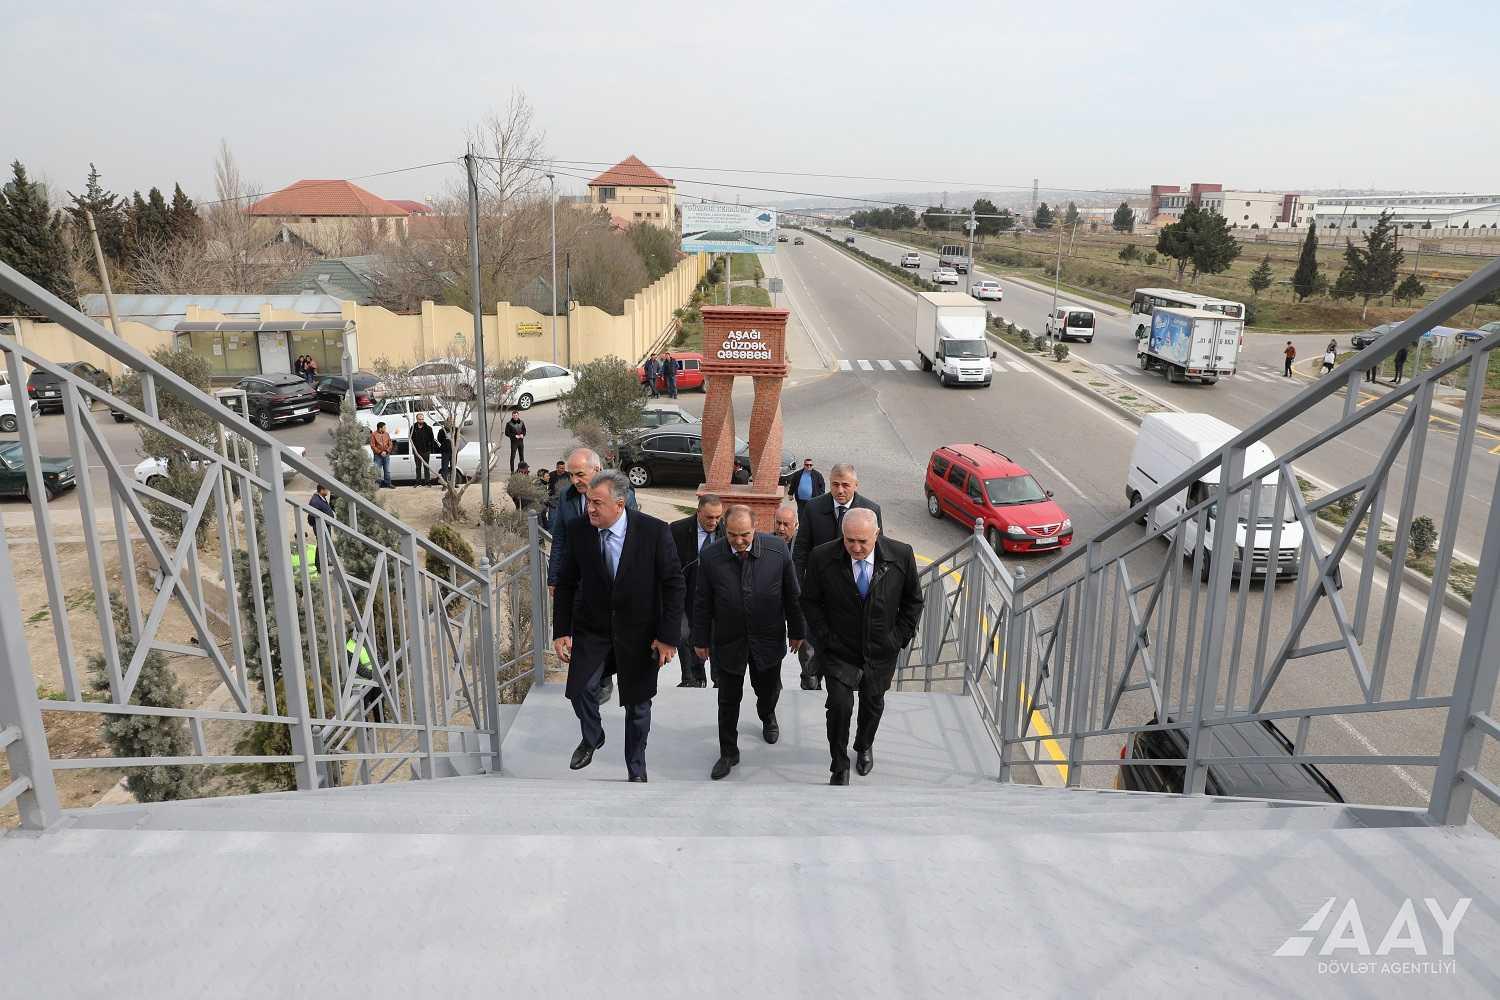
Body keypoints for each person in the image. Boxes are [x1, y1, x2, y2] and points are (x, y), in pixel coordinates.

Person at [552, 470, 684, 783]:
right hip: (593, 629)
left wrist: (667, 637)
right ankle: (593, 736)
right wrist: (561, 631)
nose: (590, 509)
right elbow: (566, 583)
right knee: (579, 690)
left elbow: (674, 584)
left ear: (620, 505)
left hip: (640, 634)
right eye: (588, 502)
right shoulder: (579, 530)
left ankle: (636, 770)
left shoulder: (654, 532)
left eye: (597, 503)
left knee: (638, 708)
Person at [800, 508, 923, 785]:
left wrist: (897, 638)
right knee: (839, 706)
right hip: (839, 651)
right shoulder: (822, 557)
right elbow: (809, 601)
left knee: (873, 703)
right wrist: (825, 636)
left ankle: (863, 745)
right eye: (849, 540)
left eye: (862, 542)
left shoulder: (901, 555)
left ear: (876, 535)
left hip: (881, 652)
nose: (855, 547)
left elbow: (913, 601)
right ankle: (839, 763)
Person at [693, 505, 805, 780]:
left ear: (756, 527)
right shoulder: (710, 558)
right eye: (733, 535)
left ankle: (767, 714)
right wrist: (700, 639)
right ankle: (728, 752)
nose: (739, 541)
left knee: (767, 689)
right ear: (724, 530)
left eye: (745, 534)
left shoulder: (777, 551)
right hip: (729, 641)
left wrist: (797, 630)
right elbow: (702, 602)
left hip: (767, 638)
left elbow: (792, 594)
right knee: (727, 699)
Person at [547, 447, 638, 705]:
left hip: (610, 576)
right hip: (578, 577)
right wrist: (554, 578)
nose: (575, 480)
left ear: (597, 471)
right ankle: (593, 678)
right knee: (581, 627)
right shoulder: (566, 498)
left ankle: (609, 673)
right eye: (572, 475)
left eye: (580, 474)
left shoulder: (622, 494)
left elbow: (633, 535)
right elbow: (560, 540)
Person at [793, 463, 882, 690]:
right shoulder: (813, 508)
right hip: (819, 592)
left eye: (846, 485)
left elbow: (878, 551)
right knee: (812, 645)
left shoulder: (871, 510)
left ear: (856, 485)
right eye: (835, 484)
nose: (840, 490)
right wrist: (799, 587)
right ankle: (810, 679)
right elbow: (801, 550)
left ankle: (841, 685)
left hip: (852, 596)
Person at [669, 494, 725, 688]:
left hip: (716, 598)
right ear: (698, 511)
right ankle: (692, 678)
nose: (714, 522)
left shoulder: (727, 531)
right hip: (685, 595)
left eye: (718, 517)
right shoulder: (677, 530)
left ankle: (720, 680)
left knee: (718, 638)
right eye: (709, 517)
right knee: (685, 635)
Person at [774, 500, 816, 685]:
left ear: (796, 525)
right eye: (778, 523)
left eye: (786, 524)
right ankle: (773, 681)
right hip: (774, 605)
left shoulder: (805, 547)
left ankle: (809, 679)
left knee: (806, 645)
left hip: (800, 604)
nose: (781, 528)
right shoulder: (766, 543)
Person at [410, 413, 437, 486]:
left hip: (426, 451)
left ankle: (427, 482)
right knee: (418, 467)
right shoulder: (413, 428)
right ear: (417, 419)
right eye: (420, 419)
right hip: (417, 451)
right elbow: (411, 439)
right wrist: (414, 449)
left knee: (426, 466)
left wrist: (429, 449)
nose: (421, 420)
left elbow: (432, 439)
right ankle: (418, 482)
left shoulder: (428, 428)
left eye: (422, 419)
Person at [369, 422, 394, 488]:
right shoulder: (373, 435)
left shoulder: (387, 434)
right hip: (377, 456)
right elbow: (372, 445)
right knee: (377, 470)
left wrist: (386, 451)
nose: (385, 429)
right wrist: (380, 452)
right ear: (380, 428)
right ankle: (378, 485)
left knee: (387, 470)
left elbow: (390, 444)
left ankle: (388, 484)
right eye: (384, 427)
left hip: (386, 455)